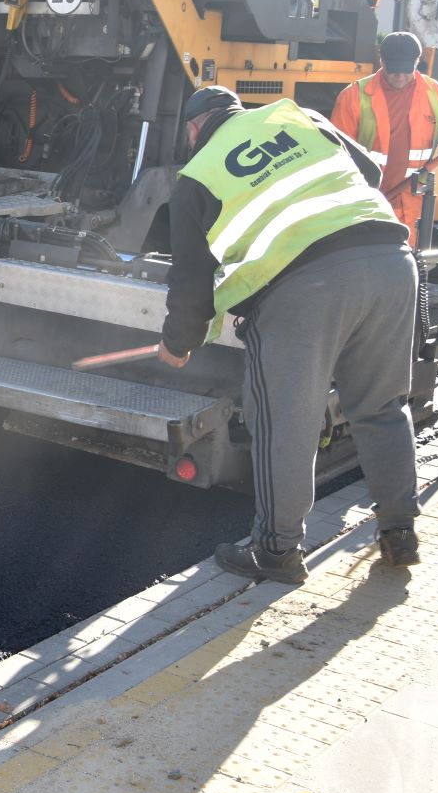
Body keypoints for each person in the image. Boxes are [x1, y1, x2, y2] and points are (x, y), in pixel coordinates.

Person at [158, 86, 423, 583]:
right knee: (382, 406)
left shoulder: (195, 177)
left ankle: (276, 551)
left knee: (285, 421)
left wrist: (177, 344)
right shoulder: (294, 115)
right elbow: (367, 171)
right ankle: (399, 530)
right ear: (235, 112)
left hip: (306, 291)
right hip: (390, 261)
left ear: (194, 129)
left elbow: (189, 281)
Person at [330, 32, 438, 241]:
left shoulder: (433, 92)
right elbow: (336, 150)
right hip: (369, 196)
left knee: (407, 256)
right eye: (393, 70)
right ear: (382, 61)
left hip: (410, 196)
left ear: (417, 62)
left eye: (406, 70)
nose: (399, 76)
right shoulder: (354, 96)